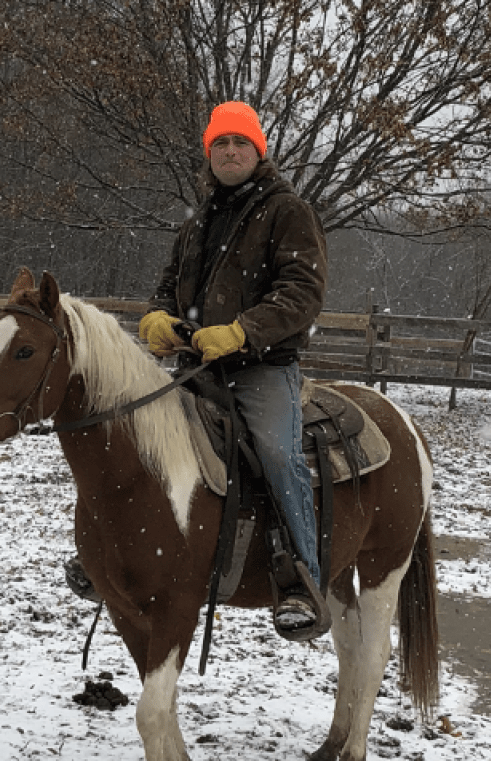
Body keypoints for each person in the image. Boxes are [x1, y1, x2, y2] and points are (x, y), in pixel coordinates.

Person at [138, 100, 328, 639]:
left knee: (276, 453)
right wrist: (157, 319)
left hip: (264, 368)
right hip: (197, 366)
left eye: (239, 142)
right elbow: (166, 286)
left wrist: (243, 332)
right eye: (219, 143)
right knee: (142, 437)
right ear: (208, 154)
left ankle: (301, 580)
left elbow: (302, 290)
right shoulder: (198, 220)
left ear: (258, 150)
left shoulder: (288, 210)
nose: (229, 151)